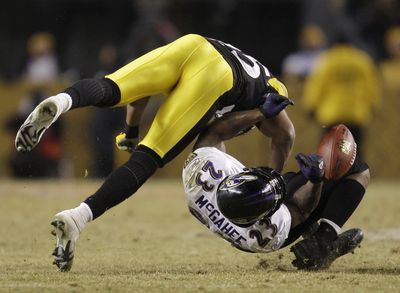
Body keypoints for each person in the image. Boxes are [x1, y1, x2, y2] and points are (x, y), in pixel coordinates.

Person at [14, 34, 295, 271]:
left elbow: (141, 94)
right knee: (148, 158)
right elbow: (286, 135)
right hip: (220, 77)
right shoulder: (272, 90)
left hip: (193, 44)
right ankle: (78, 218)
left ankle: (62, 100)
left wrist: (130, 132)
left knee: (114, 87)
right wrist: (274, 179)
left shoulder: (246, 71)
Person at [183, 107, 369, 270]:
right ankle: (323, 243)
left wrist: (260, 113)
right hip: (271, 229)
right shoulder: (270, 228)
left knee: (288, 179)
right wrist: (316, 180)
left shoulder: (201, 167)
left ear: (234, 179)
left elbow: (214, 132)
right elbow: (302, 209)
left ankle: (312, 228)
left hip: (242, 212)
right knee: (358, 169)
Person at [302, 35, 381, 157]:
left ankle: (328, 174)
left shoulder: (327, 60)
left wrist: (311, 105)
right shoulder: (361, 60)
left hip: (331, 114)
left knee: (328, 150)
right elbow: (371, 86)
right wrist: (373, 105)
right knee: (355, 152)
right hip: (356, 113)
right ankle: (356, 174)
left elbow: (317, 85)